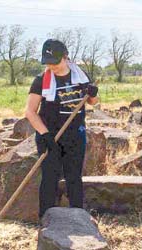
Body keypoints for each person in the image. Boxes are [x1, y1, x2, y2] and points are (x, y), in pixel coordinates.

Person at [25, 39, 99, 220]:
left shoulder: (81, 77)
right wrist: (45, 134)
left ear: (65, 57)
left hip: (76, 135)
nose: (51, 66)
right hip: (49, 137)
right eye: (47, 62)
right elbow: (30, 112)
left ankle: (79, 220)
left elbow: (92, 103)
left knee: (74, 178)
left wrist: (93, 95)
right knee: (49, 180)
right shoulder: (41, 80)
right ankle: (46, 221)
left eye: (55, 62)